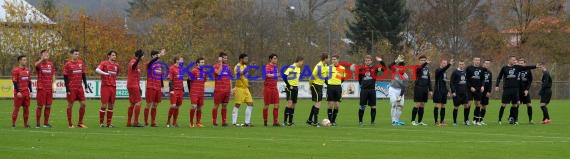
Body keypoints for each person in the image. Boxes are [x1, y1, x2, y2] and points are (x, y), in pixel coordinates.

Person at [495, 56, 538, 125]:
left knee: (517, 104)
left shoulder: (518, 68)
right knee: (507, 104)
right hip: (509, 89)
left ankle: (518, 120)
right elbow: (499, 77)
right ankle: (502, 119)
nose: (515, 61)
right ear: (509, 60)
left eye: (515, 60)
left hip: (517, 89)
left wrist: (536, 66)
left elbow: (526, 69)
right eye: (513, 60)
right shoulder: (505, 68)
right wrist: (497, 85)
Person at [354, 55, 386, 127]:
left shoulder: (375, 69)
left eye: (369, 60)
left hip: (372, 90)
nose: (367, 62)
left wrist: (381, 61)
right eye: (366, 60)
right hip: (364, 90)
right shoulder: (361, 69)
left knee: (373, 107)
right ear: (364, 61)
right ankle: (360, 122)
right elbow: (359, 79)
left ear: (371, 61)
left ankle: (372, 122)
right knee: (362, 106)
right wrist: (362, 85)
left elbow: (384, 69)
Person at [64, 49, 92, 128]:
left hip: (79, 87)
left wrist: (86, 85)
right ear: (72, 55)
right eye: (75, 54)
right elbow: (65, 77)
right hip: (71, 88)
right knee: (70, 105)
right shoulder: (68, 64)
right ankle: (70, 123)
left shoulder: (81, 63)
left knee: (83, 104)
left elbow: (83, 75)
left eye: (78, 54)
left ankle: (80, 122)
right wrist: (67, 89)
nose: (77, 55)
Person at [96, 51, 120, 128]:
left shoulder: (117, 65)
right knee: (104, 105)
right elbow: (97, 70)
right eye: (113, 55)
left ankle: (109, 123)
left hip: (113, 87)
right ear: (108, 56)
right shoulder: (104, 63)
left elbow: (116, 74)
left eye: (115, 55)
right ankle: (101, 123)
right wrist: (105, 73)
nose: (114, 56)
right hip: (105, 86)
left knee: (111, 105)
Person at [232, 53, 255, 127]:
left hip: (245, 88)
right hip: (239, 88)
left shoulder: (245, 66)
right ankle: (234, 123)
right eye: (245, 59)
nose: (247, 60)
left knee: (250, 103)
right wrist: (249, 67)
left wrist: (247, 84)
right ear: (241, 59)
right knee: (237, 104)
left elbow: (244, 77)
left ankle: (247, 122)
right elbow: (240, 74)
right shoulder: (237, 66)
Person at [306, 53, 329, 126]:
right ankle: (315, 122)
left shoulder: (325, 66)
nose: (329, 60)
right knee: (318, 103)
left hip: (320, 86)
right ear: (325, 59)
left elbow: (324, 78)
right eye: (328, 58)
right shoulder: (318, 66)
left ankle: (309, 120)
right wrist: (310, 86)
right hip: (315, 85)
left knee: (317, 103)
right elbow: (311, 78)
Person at [34, 50, 55, 128]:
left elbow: (53, 74)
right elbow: (35, 65)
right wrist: (41, 59)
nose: (46, 54)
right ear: (41, 55)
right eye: (44, 54)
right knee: (40, 106)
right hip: (41, 88)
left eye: (47, 53)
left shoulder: (51, 64)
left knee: (48, 106)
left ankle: (46, 123)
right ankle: (38, 123)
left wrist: (54, 84)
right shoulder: (39, 64)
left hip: (49, 88)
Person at [144, 49, 164, 127]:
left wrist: (161, 85)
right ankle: (146, 122)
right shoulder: (149, 64)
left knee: (155, 104)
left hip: (157, 87)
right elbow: (153, 60)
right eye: (156, 55)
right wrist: (160, 54)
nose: (157, 57)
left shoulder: (159, 65)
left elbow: (160, 75)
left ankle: (153, 122)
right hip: (151, 86)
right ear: (152, 56)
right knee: (148, 104)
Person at [282, 56, 303, 126]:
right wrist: (288, 85)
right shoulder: (292, 67)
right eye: (302, 62)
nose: (302, 63)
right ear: (299, 61)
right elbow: (284, 76)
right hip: (290, 88)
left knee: (293, 105)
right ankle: (285, 121)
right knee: (289, 103)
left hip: (295, 88)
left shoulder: (298, 68)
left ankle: (290, 122)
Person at [12, 55, 32, 128]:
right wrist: (18, 92)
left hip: (26, 92)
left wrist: (31, 91)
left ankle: (25, 124)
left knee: (26, 108)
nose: (25, 61)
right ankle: (13, 124)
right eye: (23, 60)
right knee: (16, 108)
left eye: (25, 60)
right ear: (19, 61)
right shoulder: (16, 70)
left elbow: (29, 81)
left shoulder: (27, 70)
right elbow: (14, 82)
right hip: (19, 92)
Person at [411, 55, 432, 126]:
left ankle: (420, 121)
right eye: (422, 60)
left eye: (424, 60)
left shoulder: (427, 68)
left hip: (425, 89)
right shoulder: (417, 67)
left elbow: (429, 80)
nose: (423, 61)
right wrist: (426, 63)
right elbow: (419, 69)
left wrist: (430, 89)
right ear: (419, 61)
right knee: (417, 104)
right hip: (418, 88)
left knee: (422, 105)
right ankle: (413, 121)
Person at [126, 50, 145, 127]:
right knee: (139, 102)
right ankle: (135, 122)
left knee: (132, 103)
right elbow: (133, 66)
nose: (143, 57)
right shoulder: (133, 61)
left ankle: (129, 122)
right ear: (139, 56)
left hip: (133, 85)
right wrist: (138, 58)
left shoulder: (136, 63)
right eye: (142, 55)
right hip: (133, 85)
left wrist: (139, 87)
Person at [212, 52, 231, 127]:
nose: (226, 59)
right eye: (224, 58)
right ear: (220, 58)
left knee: (225, 105)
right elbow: (219, 73)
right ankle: (214, 121)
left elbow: (229, 78)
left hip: (227, 90)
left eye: (226, 58)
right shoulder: (215, 66)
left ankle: (224, 122)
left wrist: (231, 88)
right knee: (216, 105)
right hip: (219, 90)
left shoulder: (228, 67)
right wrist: (220, 63)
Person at [433, 59, 453, 126]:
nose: (445, 64)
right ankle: (436, 122)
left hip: (444, 91)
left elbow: (444, 82)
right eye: (444, 63)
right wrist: (449, 64)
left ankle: (442, 121)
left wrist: (447, 91)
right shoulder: (438, 70)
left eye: (446, 63)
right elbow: (442, 70)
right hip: (438, 90)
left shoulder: (445, 72)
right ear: (440, 63)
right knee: (437, 105)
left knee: (443, 106)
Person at [326, 54, 345, 127]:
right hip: (330, 87)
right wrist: (329, 84)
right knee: (330, 105)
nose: (333, 60)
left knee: (337, 106)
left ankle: (333, 121)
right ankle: (330, 121)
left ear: (338, 60)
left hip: (338, 88)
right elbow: (325, 78)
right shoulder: (328, 68)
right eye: (332, 59)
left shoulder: (342, 68)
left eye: (335, 59)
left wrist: (337, 83)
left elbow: (343, 78)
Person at [465, 57, 485, 126]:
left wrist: (482, 86)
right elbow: (466, 79)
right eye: (476, 60)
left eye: (478, 60)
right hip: (470, 89)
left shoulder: (482, 69)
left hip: (478, 89)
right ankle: (466, 120)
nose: (477, 61)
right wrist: (470, 87)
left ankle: (476, 121)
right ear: (473, 61)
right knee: (468, 104)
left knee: (478, 104)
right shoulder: (469, 68)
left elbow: (483, 79)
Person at [188, 57, 207, 128]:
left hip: (201, 92)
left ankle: (198, 122)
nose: (203, 63)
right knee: (194, 106)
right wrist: (191, 90)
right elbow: (189, 80)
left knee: (199, 107)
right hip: (194, 92)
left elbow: (204, 80)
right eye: (202, 62)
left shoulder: (204, 71)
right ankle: (191, 122)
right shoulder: (193, 70)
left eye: (203, 62)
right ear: (197, 63)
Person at [166, 55, 185, 128]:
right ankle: (168, 121)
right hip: (174, 90)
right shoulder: (172, 68)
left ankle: (174, 122)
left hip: (180, 90)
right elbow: (170, 79)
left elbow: (181, 80)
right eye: (181, 60)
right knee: (173, 105)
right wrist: (171, 90)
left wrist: (182, 89)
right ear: (177, 60)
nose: (182, 61)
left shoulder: (181, 68)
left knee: (177, 107)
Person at [263, 54, 280, 127]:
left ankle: (275, 122)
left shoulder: (276, 67)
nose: (276, 60)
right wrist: (276, 74)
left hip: (274, 88)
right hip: (268, 88)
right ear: (270, 59)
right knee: (266, 105)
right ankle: (265, 122)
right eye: (274, 58)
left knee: (276, 105)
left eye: (276, 58)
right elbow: (267, 75)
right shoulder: (267, 66)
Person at [389, 55, 407, 126]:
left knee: (400, 106)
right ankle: (393, 121)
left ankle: (397, 120)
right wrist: (396, 61)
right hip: (392, 89)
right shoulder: (395, 70)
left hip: (400, 91)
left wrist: (400, 96)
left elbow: (404, 87)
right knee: (394, 105)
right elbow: (389, 65)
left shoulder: (405, 76)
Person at [450, 60, 469, 126]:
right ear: (458, 64)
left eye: (462, 64)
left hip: (464, 93)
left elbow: (467, 81)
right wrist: (453, 91)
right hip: (457, 93)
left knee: (466, 106)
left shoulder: (465, 72)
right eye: (460, 64)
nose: (461, 65)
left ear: (464, 65)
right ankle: (455, 122)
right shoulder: (455, 72)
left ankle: (466, 121)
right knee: (456, 107)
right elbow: (451, 82)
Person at [517, 58, 534, 124]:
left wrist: (527, 90)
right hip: (518, 91)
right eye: (520, 63)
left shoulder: (528, 70)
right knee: (516, 105)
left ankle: (530, 120)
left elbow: (530, 81)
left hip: (526, 91)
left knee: (529, 105)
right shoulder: (517, 70)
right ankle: (515, 119)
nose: (521, 64)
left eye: (522, 63)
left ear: (525, 64)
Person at [480, 60, 492, 125]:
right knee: (479, 105)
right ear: (483, 64)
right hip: (480, 91)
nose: (487, 64)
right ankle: (476, 120)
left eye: (488, 64)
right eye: (486, 63)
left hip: (486, 92)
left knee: (484, 106)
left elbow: (490, 83)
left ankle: (481, 120)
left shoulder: (489, 72)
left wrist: (489, 91)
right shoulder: (480, 71)